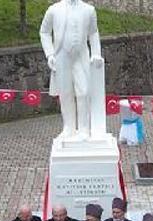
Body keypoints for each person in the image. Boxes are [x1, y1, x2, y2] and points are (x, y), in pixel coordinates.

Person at [40, 0, 104, 140]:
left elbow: (93, 33)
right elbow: (44, 32)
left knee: (84, 91)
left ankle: (84, 129)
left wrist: (96, 54)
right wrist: (50, 54)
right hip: (61, 55)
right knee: (65, 93)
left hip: (81, 56)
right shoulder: (54, 9)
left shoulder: (89, 10)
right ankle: (69, 127)